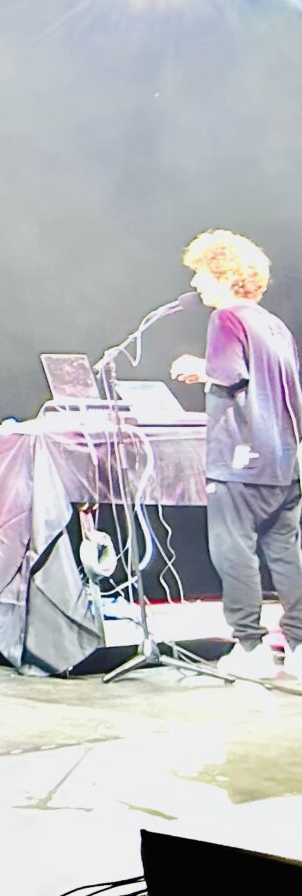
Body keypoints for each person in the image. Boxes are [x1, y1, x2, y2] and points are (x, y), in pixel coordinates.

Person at [168, 229, 302, 681]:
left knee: (234, 551)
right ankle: (299, 644)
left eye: (201, 274)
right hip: (283, 460)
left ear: (224, 275)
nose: (195, 284)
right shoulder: (275, 325)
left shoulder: (227, 319)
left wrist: (198, 368)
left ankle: (249, 646)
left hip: (241, 460)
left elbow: (228, 374)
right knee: (286, 553)